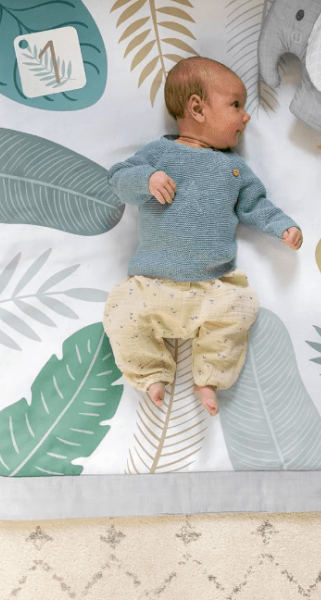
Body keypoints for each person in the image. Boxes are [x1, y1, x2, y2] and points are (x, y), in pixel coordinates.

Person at [102, 57, 303, 416]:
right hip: (152, 285)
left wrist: (283, 227)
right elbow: (118, 178)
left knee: (241, 307)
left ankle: (209, 376)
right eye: (236, 105)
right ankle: (150, 373)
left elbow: (255, 205)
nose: (246, 116)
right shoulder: (159, 154)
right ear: (197, 109)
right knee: (121, 310)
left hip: (213, 288)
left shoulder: (234, 168)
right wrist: (147, 179)